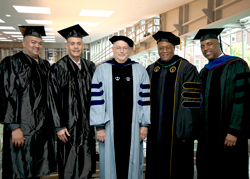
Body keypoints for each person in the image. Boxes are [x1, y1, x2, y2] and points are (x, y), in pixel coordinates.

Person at [90, 36, 150, 179]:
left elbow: (145, 99)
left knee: (133, 161)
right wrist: (100, 127)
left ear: (129, 50)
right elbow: (96, 99)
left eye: (125, 48)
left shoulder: (139, 70)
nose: (121, 51)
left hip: (134, 126)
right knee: (111, 163)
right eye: (118, 48)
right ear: (113, 49)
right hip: (109, 126)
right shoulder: (102, 70)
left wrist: (144, 124)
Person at [0, 26, 56, 179]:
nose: (37, 45)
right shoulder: (11, 63)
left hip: (41, 128)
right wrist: (13, 127)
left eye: (39, 43)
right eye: (33, 42)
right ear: (23, 43)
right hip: (21, 129)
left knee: (38, 170)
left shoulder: (45, 65)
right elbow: (6, 95)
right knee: (19, 171)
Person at [194, 28, 250, 179]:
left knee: (229, 170)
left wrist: (234, 131)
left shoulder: (237, 65)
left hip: (228, 134)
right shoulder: (204, 72)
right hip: (207, 136)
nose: (206, 49)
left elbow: (242, 100)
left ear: (218, 44)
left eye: (209, 44)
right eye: (202, 46)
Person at [146, 31, 201, 179]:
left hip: (178, 132)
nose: (164, 51)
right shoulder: (152, 69)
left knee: (178, 168)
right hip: (155, 131)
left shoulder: (186, 68)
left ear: (173, 48)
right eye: (161, 48)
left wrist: (184, 130)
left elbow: (190, 103)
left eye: (167, 47)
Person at [48, 24, 96, 179]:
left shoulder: (90, 67)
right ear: (66, 45)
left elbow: (97, 96)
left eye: (79, 43)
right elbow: (52, 99)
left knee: (86, 163)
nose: (76, 47)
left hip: (87, 125)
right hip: (67, 127)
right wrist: (58, 126)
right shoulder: (58, 68)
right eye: (72, 43)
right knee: (69, 165)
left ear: (83, 45)